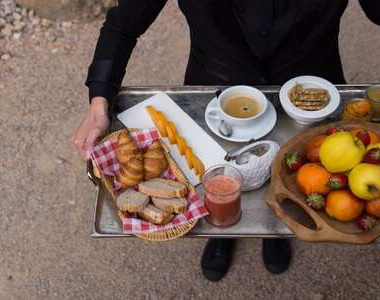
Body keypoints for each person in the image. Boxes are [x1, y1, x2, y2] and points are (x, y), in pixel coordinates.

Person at [72, 0, 380, 282]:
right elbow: (123, 25)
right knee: (217, 183)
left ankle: (277, 231)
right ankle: (222, 232)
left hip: (310, 95)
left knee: (298, 184)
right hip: (213, 90)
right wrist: (99, 102)